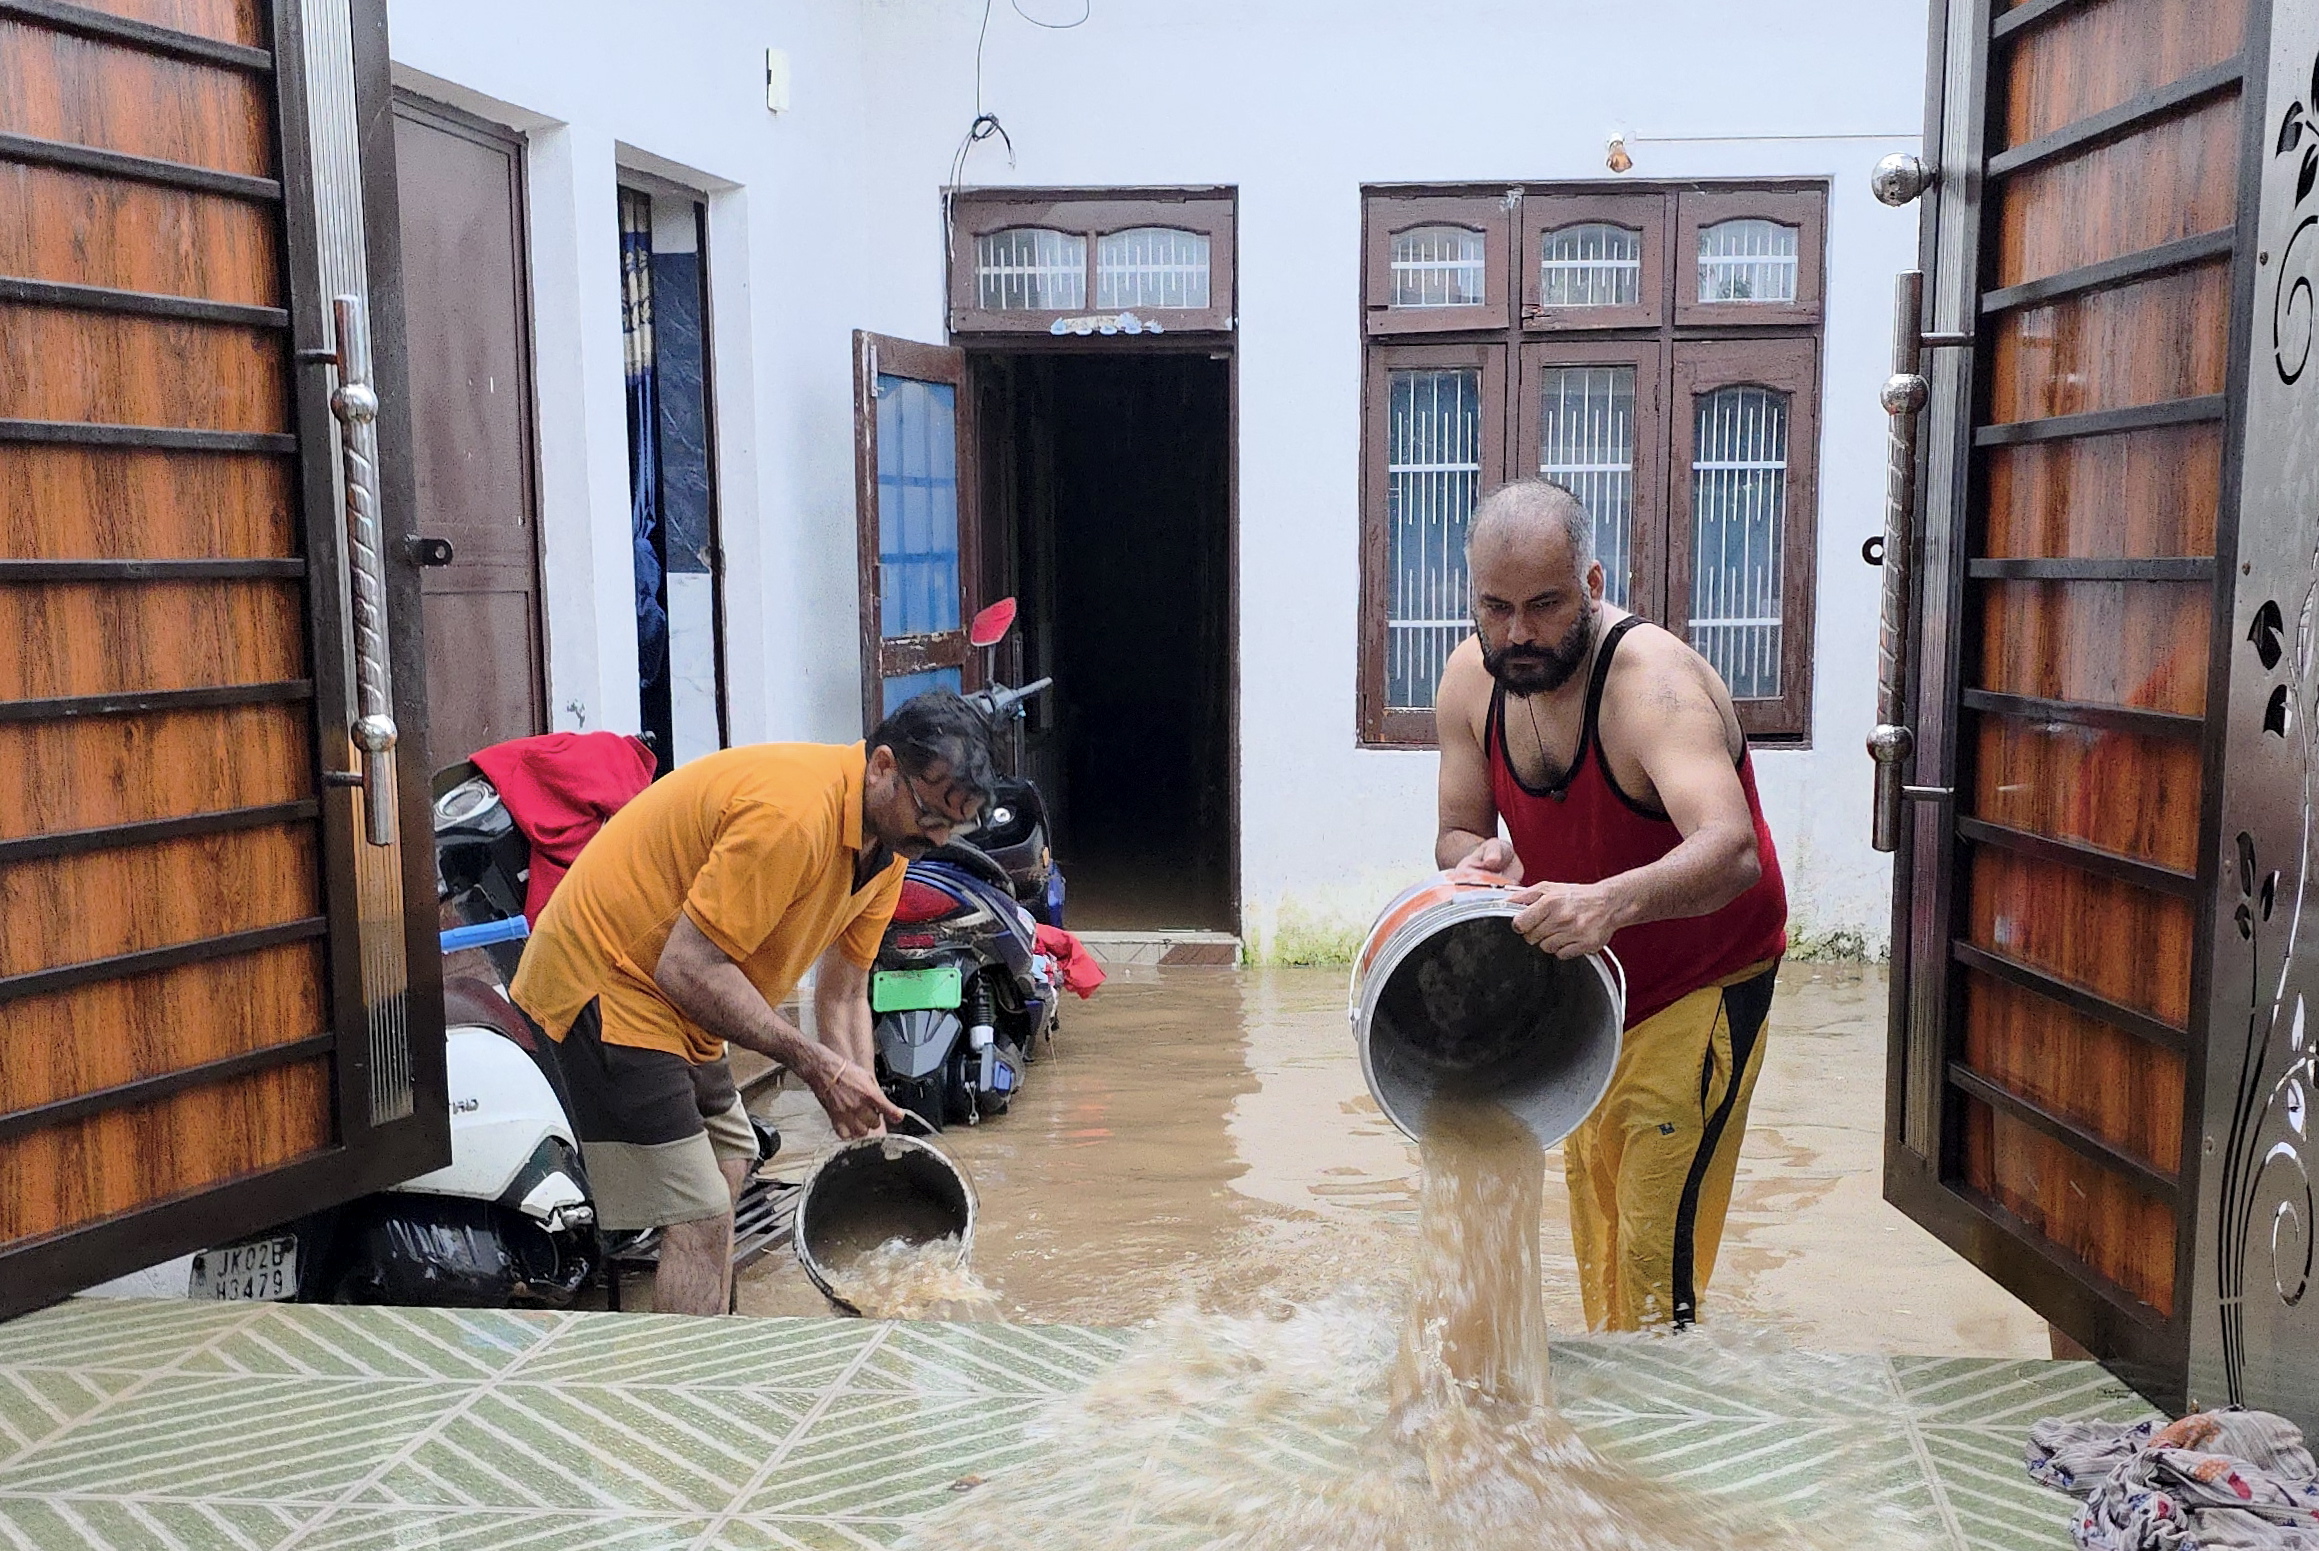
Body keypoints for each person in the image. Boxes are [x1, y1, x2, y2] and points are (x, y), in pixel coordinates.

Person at [509, 692, 997, 1315]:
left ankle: (711, 1336)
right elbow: (688, 967)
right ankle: (685, 1390)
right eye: (930, 814)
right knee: (702, 1212)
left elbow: (845, 991)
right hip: (608, 983)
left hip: (683, 996)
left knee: (733, 1157)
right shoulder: (793, 817)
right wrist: (820, 1068)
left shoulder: (890, 851)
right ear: (881, 767)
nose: (935, 837)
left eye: (952, 827)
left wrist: (868, 1123)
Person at [1433, 479, 1788, 1333]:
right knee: (1597, 1230)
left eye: (1546, 605)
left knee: (1650, 1254)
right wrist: (1479, 862)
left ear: (1592, 585)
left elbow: (1730, 848)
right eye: (1496, 606)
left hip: (1702, 981)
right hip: (1592, 990)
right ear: (1471, 596)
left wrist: (1607, 900)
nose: (1518, 632)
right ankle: (1618, 1434)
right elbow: (1454, 830)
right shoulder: (1469, 680)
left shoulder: (1648, 683)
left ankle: (1664, 1431)